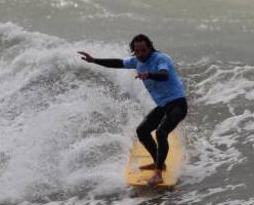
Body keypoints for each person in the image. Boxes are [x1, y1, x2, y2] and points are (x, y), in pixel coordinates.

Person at [78, 34, 188, 186]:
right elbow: (117, 63)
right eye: (137, 51)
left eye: (143, 50)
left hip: (178, 104)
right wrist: (94, 60)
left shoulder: (161, 58)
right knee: (142, 131)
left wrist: (148, 75)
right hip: (163, 106)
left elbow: (164, 75)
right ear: (134, 51)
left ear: (149, 48)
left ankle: (158, 174)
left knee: (161, 133)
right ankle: (159, 163)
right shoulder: (136, 61)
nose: (141, 54)